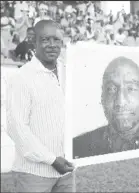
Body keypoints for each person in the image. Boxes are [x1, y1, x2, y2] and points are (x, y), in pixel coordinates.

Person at [6, 20, 75, 192]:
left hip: (66, 171)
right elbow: (17, 128)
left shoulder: (70, 73)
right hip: (33, 174)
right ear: (33, 42)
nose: (52, 45)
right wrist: (52, 160)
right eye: (45, 40)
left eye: (56, 40)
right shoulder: (22, 77)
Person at [73, 56, 139, 159]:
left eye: (131, 88)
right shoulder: (78, 147)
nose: (120, 102)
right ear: (102, 97)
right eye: (111, 89)